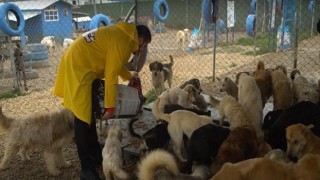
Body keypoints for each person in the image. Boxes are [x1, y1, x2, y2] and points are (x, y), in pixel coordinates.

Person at [53, 22, 151, 180]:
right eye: (144, 45)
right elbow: (111, 75)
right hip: (79, 65)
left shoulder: (122, 36)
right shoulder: (124, 43)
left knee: (88, 114)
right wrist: (110, 107)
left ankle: (95, 156)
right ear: (140, 39)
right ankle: (85, 169)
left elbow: (115, 63)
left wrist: (128, 75)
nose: (141, 50)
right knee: (82, 118)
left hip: (80, 60)